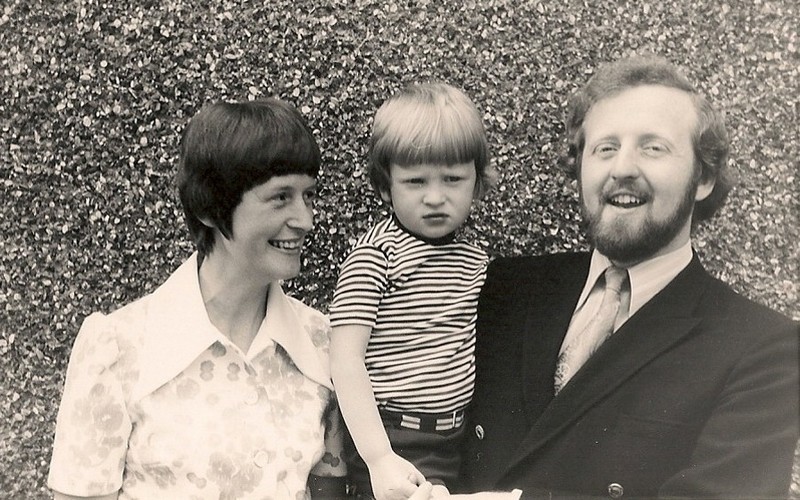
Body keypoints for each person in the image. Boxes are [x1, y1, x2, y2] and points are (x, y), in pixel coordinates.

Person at [456, 55, 800, 499]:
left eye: (652, 147)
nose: (622, 168)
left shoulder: (764, 349)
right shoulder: (505, 288)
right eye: (605, 148)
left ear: (704, 178)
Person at [48, 99, 348, 499]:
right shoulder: (118, 349)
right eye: (280, 198)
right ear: (211, 206)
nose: (306, 219)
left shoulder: (323, 343)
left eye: (307, 196)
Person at [328, 83, 495, 499]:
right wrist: (379, 457)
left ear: (476, 183)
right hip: (390, 437)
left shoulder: (474, 259)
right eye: (416, 181)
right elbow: (345, 360)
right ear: (386, 187)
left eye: (453, 179)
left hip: (456, 440)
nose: (436, 197)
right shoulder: (376, 255)